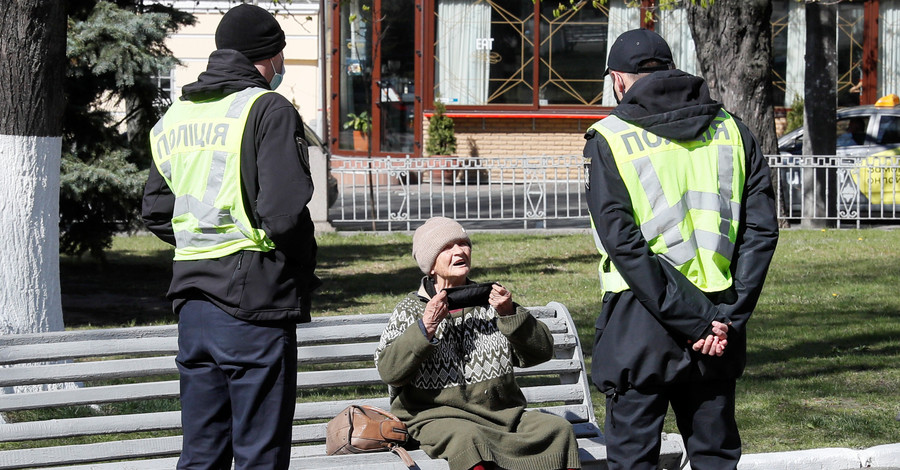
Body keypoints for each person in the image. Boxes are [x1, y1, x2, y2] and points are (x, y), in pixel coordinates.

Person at [583, 29, 779, 470]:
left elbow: (625, 246)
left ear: (617, 80)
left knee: (634, 461)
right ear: (670, 68)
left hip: (641, 322)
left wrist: (698, 322)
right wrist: (723, 320)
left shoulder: (610, 137)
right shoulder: (734, 130)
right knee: (714, 457)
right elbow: (761, 234)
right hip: (720, 320)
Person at [141, 4, 320, 469]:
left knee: (202, 454)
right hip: (254, 308)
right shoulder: (268, 108)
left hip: (193, 307)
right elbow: (283, 215)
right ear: (272, 55)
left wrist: (204, 236)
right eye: (281, 56)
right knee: (260, 455)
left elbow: (157, 211)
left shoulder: (176, 115)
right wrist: (297, 267)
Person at [374, 217, 581, 470]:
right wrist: (425, 328)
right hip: (434, 417)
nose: (460, 251)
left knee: (558, 429)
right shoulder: (411, 310)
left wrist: (509, 314)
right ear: (430, 265)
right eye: (448, 247)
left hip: (501, 415)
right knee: (468, 440)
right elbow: (389, 371)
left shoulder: (491, 302)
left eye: (463, 244)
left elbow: (540, 352)